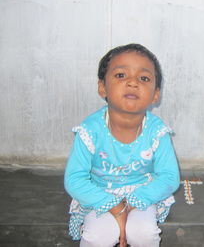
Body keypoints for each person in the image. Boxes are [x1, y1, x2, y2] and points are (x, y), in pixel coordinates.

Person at [64, 43, 180, 247]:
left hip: (143, 193)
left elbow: (169, 177)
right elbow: (75, 180)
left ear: (155, 94)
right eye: (120, 75)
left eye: (144, 78)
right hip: (99, 193)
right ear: (102, 87)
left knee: (144, 233)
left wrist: (133, 203)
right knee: (98, 236)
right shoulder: (90, 130)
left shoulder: (157, 132)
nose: (133, 82)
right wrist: (116, 207)